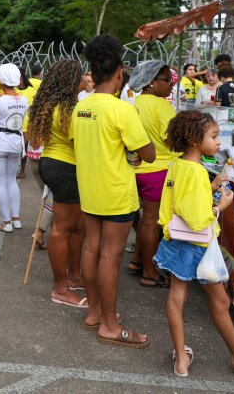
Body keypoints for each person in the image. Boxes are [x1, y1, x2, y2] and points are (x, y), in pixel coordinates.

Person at [155, 110, 234, 380]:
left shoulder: (177, 165)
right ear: (195, 139)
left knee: (176, 297)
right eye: (214, 136)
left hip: (175, 241)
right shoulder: (197, 171)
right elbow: (198, 218)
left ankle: (181, 360)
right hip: (197, 246)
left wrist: (214, 184)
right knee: (220, 301)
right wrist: (221, 206)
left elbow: (181, 201)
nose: (219, 142)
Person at [71, 34, 155, 348]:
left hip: (90, 191)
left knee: (91, 250)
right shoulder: (122, 110)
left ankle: (95, 312)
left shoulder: (81, 107)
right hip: (117, 193)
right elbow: (148, 154)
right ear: (119, 73)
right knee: (110, 257)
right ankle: (109, 325)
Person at [26, 59, 87, 308]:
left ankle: (73, 276)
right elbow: (80, 143)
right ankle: (61, 288)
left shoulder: (53, 104)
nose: (85, 80)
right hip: (65, 168)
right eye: (81, 76)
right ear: (72, 81)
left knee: (77, 227)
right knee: (63, 229)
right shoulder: (68, 109)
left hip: (55, 164)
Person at [128, 61, 178, 288]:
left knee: (144, 218)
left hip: (136, 169)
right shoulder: (162, 106)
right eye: (167, 80)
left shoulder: (133, 104)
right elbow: (171, 139)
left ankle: (137, 261)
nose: (171, 84)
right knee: (151, 222)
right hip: (158, 170)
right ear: (150, 82)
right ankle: (149, 273)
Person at [0, 64, 28, 233]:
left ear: (1, 81)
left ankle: (6, 222)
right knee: (11, 181)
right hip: (16, 143)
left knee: (0, 183)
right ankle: (16, 219)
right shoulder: (24, 100)